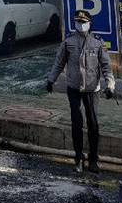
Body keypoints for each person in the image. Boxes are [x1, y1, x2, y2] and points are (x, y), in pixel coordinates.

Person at [46, 9, 115, 173]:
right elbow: (59, 63)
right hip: (74, 87)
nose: (81, 25)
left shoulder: (98, 42)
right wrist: (51, 80)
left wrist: (110, 85)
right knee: (76, 122)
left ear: (90, 23)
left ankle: (93, 159)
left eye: (84, 22)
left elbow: (106, 66)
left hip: (92, 88)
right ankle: (78, 157)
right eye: (78, 22)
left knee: (93, 123)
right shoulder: (68, 42)